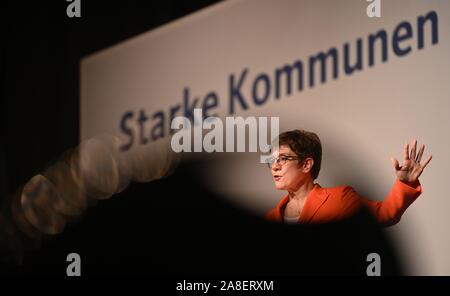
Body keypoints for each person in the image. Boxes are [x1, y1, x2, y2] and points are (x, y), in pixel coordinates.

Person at [265, 130, 432, 226]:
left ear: (306, 165)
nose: (274, 166)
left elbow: (384, 214)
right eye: (272, 160)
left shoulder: (340, 199)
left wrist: (405, 182)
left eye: (283, 159)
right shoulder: (270, 218)